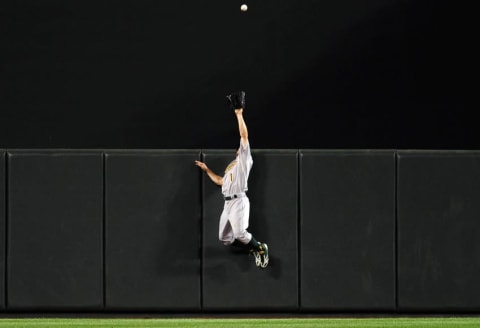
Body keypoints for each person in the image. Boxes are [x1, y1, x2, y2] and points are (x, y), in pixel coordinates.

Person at [195, 91, 269, 269]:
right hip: (227, 203)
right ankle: (251, 247)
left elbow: (244, 136)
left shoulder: (244, 160)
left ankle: (260, 248)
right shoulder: (232, 167)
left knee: (240, 232)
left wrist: (239, 114)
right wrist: (207, 171)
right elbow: (221, 181)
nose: (239, 148)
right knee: (225, 238)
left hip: (239, 201)